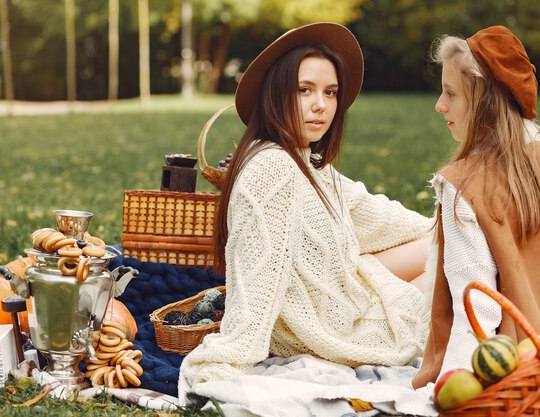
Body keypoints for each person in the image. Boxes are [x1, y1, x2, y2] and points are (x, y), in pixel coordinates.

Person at [179, 22, 432, 400]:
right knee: (453, 261)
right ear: (277, 95)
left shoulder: (307, 163)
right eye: (305, 91)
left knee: (445, 240)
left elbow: (376, 216)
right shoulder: (273, 169)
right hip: (331, 331)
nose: (321, 105)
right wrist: (230, 358)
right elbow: (258, 275)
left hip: (345, 299)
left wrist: (449, 224)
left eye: (330, 93)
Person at [412, 25, 540, 388]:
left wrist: (455, 381)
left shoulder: (464, 184)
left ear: (484, 101)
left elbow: (476, 308)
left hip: (518, 367)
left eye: (450, 93)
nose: (440, 105)